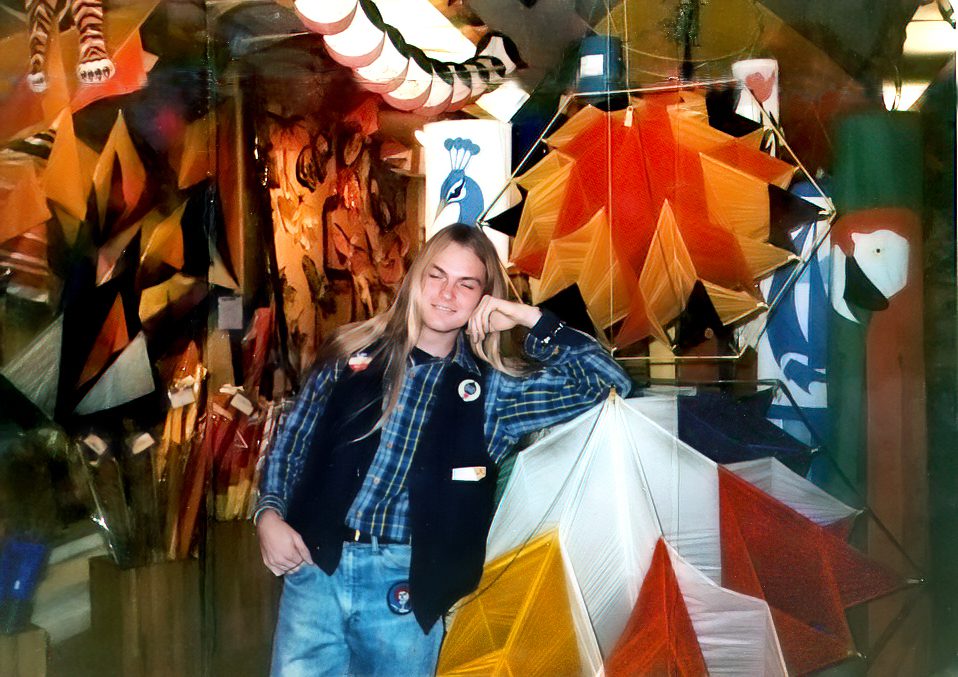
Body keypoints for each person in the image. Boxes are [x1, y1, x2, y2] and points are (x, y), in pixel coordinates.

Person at [255, 223, 632, 676]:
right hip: (315, 565)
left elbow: (611, 382)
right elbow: (291, 444)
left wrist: (530, 318)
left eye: (466, 284)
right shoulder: (350, 351)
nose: (447, 294)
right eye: (437, 276)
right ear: (416, 278)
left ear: (483, 298)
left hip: (408, 585)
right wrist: (269, 514)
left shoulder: (493, 394)